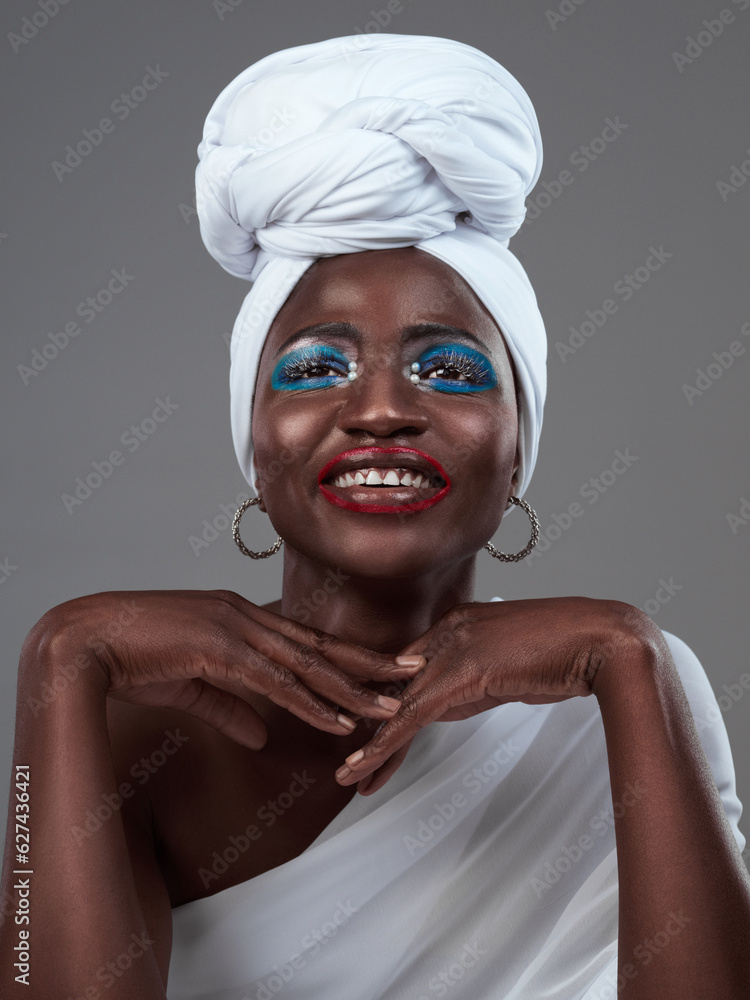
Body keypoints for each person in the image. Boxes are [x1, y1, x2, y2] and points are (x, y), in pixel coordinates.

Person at [1, 32, 749, 1000]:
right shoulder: (144, 729)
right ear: (255, 440)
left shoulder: (624, 692)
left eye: (451, 369)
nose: (383, 408)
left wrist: (630, 655)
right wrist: (56, 663)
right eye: (317, 368)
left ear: (518, 446)